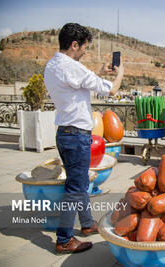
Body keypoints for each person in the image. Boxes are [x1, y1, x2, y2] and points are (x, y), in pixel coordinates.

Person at [44, 23, 125, 254]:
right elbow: (111, 91)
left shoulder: (52, 65)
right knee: (76, 186)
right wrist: (119, 74)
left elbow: (76, 84)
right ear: (74, 44)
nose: (85, 52)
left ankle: (87, 223)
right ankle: (64, 239)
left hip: (64, 133)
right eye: (85, 47)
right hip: (77, 135)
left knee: (78, 183)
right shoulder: (73, 68)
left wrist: (97, 72)